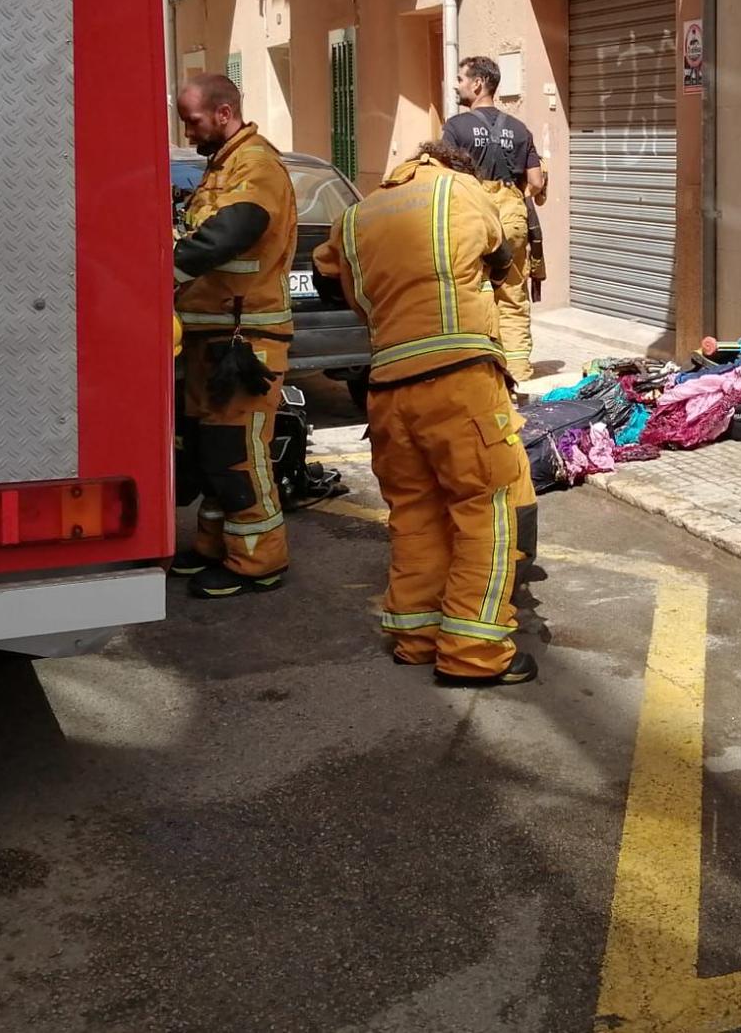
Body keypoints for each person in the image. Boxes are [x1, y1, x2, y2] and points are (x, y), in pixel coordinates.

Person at [313, 140, 540, 687]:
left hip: (388, 387)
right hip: (459, 380)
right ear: (454, 163)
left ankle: (417, 637)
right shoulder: (461, 190)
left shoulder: (355, 217)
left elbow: (325, 280)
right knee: (486, 507)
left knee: (415, 513)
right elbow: (505, 262)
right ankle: (473, 651)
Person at [170, 73, 300, 599]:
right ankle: (214, 547)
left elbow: (237, 227)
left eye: (194, 120)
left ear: (223, 113)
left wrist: (168, 269)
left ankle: (258, 561)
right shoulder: (222, 167)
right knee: (211, 452)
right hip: (215, 339)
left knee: (238, 453)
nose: (188, 130)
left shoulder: (255, 165)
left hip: (245, 340)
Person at [440, 56, 546, 390]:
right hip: (513, 215)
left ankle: (478, 375)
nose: (456, 85)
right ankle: (518, 374)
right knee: (513, 295)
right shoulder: (519, 130)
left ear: (478, 83)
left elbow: (445, 176)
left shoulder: (456, 127)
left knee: (471, 292)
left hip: (474, 214)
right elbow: (537, 182)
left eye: (460, 79)